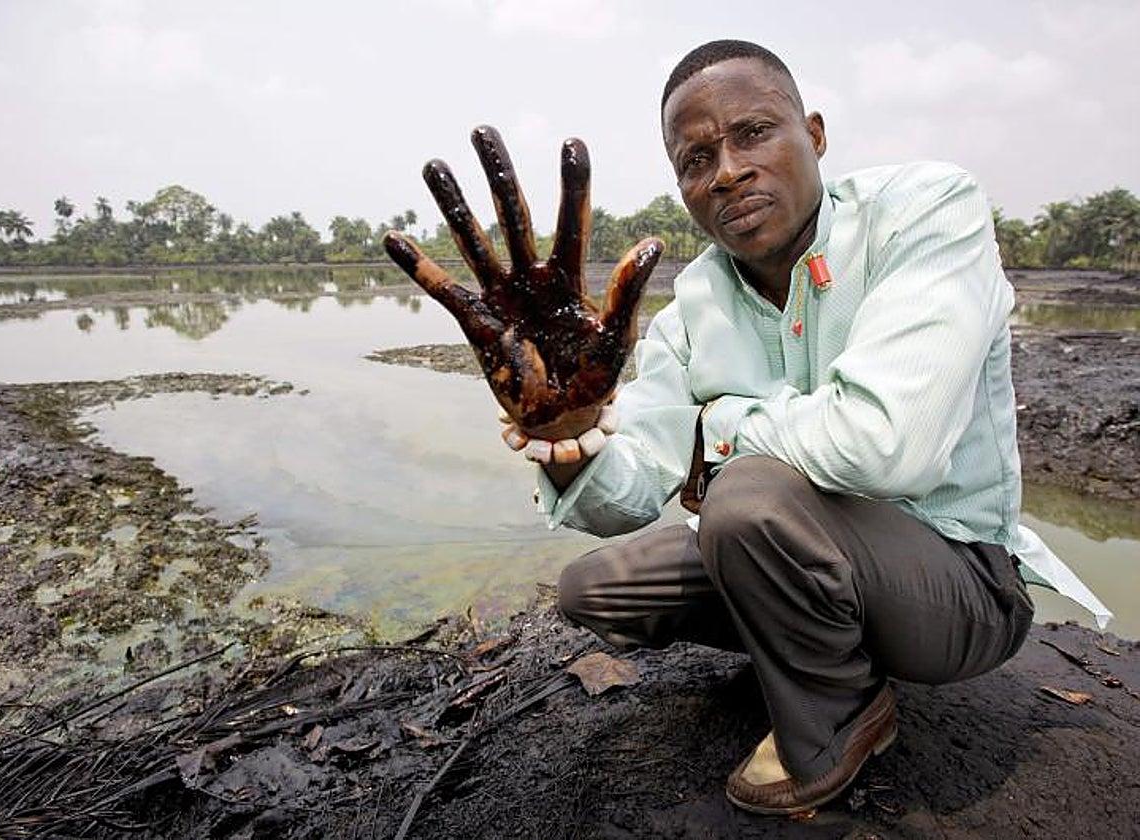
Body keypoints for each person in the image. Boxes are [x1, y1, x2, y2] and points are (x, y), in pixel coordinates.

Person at [384, 39, 1110, 816]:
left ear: (816, 136)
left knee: (748, 496)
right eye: (696, 159)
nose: (725, 170)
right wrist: (571, 432)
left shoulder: (924, 211)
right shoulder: (696, 301)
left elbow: (887, 446)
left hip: (959, 587)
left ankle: (843, 712)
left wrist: (717, 428)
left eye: (753, 134)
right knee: (596, 588)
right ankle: (809, 644)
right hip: (807, 554)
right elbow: (625, 496)